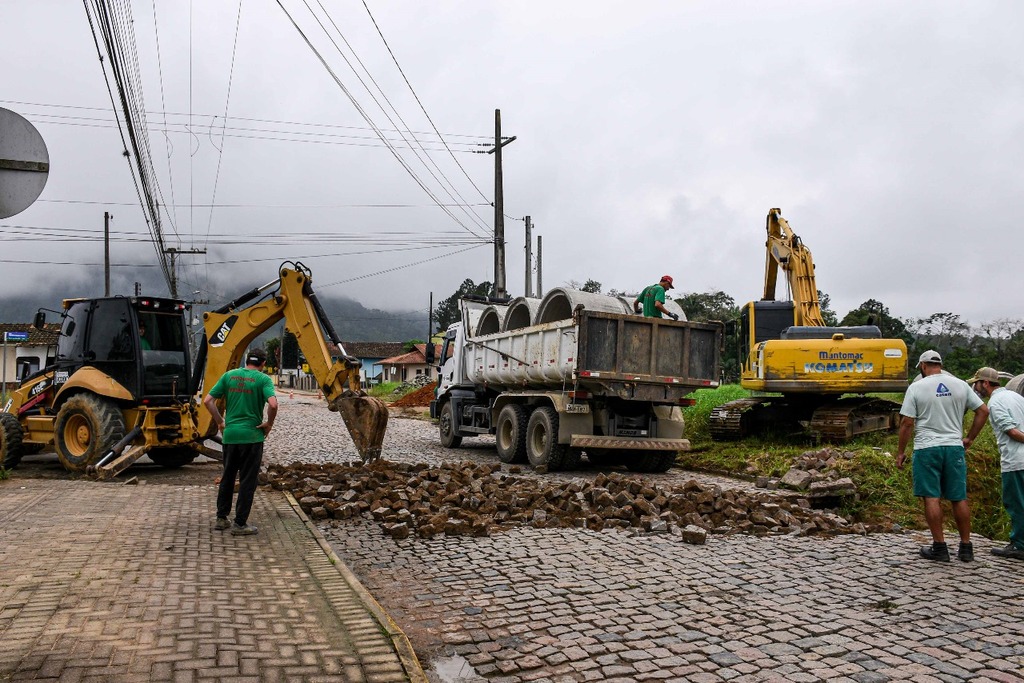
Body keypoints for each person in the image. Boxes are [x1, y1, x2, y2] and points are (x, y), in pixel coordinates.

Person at [896, 350, 988, 562]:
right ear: (940, 364)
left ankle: (940, 548)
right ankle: (966, 548)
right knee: (958, 497)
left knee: (931, 496)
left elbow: (907, 423)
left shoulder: (916, 387)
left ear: (922, 366)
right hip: (954, 447)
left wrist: (901, 452)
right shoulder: (960, 385)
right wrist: (969, 438)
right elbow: (983, 411)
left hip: (927, 448)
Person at [203, 347, 278, 536]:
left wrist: (220, 421)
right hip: (252, 438)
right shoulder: (263, 379)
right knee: (247, 481)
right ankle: (240, 523)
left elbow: (208, 401)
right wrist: (268, 424)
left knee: (227, 476)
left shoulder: (229, 376)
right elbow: (273, 404)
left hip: (230, 437)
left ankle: (221, 518)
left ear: (247, 360)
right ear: (263, 364)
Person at [967, 366, 1024, 561]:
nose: (975, 388)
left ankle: (1019, 545)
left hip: (1015, 461)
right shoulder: (1016, 397)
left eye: (976, 384)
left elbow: (1012, 432)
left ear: (985, 383)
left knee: (1016, 503)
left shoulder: (996, 403)